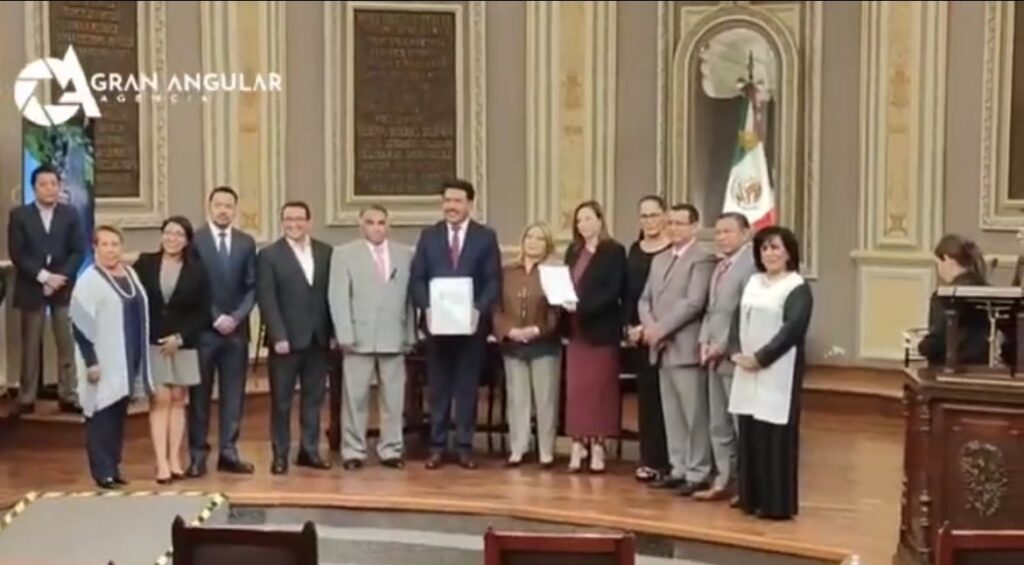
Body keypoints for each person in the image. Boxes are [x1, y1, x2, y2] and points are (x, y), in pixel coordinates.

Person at [410, 179, 502, 470]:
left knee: (465, 387)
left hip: (471, 329)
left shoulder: (485, 237)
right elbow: (417, 279)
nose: (451, 206)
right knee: (438, 388)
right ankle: (436, 447)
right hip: (437, 328)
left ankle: (464, 446)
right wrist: (426, 308)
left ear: (470, 204)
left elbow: (493, 281)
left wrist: (478, 310)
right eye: (447, 200)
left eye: (457, 201)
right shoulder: (428, 236)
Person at [729, 225, 813, 520]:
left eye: (776, 247)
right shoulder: (753, 281)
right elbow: (736, 318)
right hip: (747, 369)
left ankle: (776, 504)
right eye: (764, 248)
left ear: (788, 251)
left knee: (774, 435)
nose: (770, 253)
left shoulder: (796, 287)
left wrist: (761, 358)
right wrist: (736, 352)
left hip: (777, 371)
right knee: (751, 432)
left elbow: (792, 330)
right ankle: (751, 498)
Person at [329, 205, 416, 470]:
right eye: (370, 222)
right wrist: (344, 333)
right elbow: (338, 297)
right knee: (355, 399)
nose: (376, 227)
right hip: (358, 337)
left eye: (381, 222)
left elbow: (410, 299)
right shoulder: (344, 254)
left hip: (394, 335)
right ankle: (353, 450)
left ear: (388, 225)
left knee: (393, 399)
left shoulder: (404, 254)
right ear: (361, 225)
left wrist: (410, 334)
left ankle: (391, 449)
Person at [639, 204, 716, 495]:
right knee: (671, 412)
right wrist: (649, 327)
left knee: (693, 414)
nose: (673, 228)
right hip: (660, 347)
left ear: (694, 227)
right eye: (670, 223)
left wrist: (660, 329)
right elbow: (644, 298)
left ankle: (698, 471)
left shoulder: (702, 258)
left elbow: (694, 303)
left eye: (680, 223)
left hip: (684, 346)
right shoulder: (659, 259)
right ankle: (678, 466)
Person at [69, 226, 154, 490]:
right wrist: (91, 361)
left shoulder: (129, 273)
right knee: (100, 416)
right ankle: (101, 471)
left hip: (127, 358)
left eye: (115, 244)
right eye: (105, 244)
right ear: (95, 248)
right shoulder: (89, 280)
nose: (111, 249)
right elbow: (79, 324)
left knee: (117, 416)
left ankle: (114, 467)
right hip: (100, 361)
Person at [257, 201, 335, 475]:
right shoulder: (269, 255)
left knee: (314, 400)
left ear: (309, 221)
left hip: (318, 339)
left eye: (300, 219)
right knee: (282, 401)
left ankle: (309, 450)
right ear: (282, 222)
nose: (294, 224)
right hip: (285, 341)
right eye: (289, 219)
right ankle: (280, 454)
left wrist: (333, 334)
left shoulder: (326, 252)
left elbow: (331, 297)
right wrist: (278, 334)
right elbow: (267, 299)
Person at [133, 216, 211, 484]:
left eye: (179, 234)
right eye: (168, 233)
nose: (172, 238)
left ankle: (176, 458)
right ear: (161, 235)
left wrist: (181, 337)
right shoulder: (145, 263)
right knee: (161, 400)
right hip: (154, 342)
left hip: (183, 344)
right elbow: (136, 303)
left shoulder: (197, 270)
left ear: (187, 240)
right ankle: (162, 463)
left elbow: (203, 312)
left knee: (179, 399)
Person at [187, 186, 257, 477]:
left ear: (235, 209)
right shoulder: (196, 241)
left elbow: (252, 286)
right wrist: (215, 317)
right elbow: (192, 284)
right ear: (209, 207)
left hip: (236, 334)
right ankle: (198, 455)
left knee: (233, 396)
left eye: (229, 206)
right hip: (204, 330)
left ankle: (229, 451)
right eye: (219, 205)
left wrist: (237, 317)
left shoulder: (246, 242)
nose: (224, 210)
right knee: (199, 397)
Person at [7, 164, 86, 415]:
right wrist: (44, 277)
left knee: (66, 342)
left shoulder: (71, 214)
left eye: (54, 184)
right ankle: (27, 396)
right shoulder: (20, 215)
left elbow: (78, 250)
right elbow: (17, 252)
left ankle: (68, 394)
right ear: (34, 188)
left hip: (63, 288)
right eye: (43, 184)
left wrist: (60, 277)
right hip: (32, 287)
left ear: (60, 187)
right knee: (30, 344)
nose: (49, 189)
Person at [694, 212, 755, 501]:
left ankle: (746, 483)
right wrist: (704, 341)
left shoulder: (751, 266)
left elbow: (743, 312)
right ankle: (723, 477)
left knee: (738, 422)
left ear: (745, 233)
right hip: (712, 355)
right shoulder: (719, 266)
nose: (721, 237)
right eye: (718, 232)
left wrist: (724, 345)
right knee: (718, 421)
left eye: (728, 231)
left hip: (734, 354)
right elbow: (711, 309)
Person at [562, 200, 627, 474]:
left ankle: (598, 446)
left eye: (588, 219)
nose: (583, 225)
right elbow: (566, 283)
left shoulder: (614, 251)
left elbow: (613, 290)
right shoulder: (573, 251)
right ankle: (578, 444)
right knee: (576, 391)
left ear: (600, 220)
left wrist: (582, 306)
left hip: (601, 330)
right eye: (579, 221)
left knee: (599, 391)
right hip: (576, 332)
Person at [492, 221, 562, 468]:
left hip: (543, 345)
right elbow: (496, 307)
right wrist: (509, 330)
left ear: (547, 245)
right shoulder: (507, 272)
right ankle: (518, 449)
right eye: (529, 237)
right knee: (517, 399)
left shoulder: (554, 272)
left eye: (540, 238)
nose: (533, 242)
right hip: (513, 344)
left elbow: (557, 311)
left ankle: (546, 451)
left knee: (545, 400)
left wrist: (536, 330)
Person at [624, 195, 672, 483]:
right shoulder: (634, 250)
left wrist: (656, 327)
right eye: (644, 216)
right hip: (639, 336)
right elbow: (630, 293)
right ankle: (649, 458)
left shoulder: (672, 251)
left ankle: (669, 460)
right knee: (647, 400)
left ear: (665, 216)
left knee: (670, 401)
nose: (649, 221)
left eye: (654, 215)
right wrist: (631, 327)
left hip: (668, 336)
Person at [917, 234, 990, 367]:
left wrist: (920, 346)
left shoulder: (944, 297)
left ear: (946, 259)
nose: (938, 269)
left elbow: (938, 340)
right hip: (984, 366)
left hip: (949, 367)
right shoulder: (990, 292)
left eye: (938, 263)